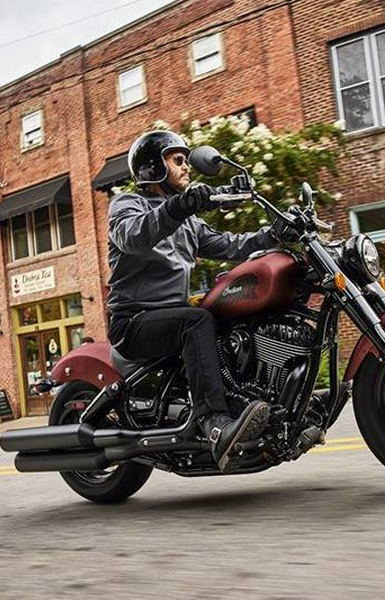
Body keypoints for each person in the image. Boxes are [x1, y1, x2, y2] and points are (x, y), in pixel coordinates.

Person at [106, 130, 283, 472]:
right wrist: (179, 206)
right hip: (134, 322)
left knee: (226, 316)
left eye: (186, 160)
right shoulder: (128, 205)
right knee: (197, 319)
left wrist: (275, 233)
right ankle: (214, 423)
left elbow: (232, 245)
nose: (187, 167)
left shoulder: (189, 222)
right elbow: (134, 237)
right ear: (152, 168)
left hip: (173, 319)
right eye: (178, 161)